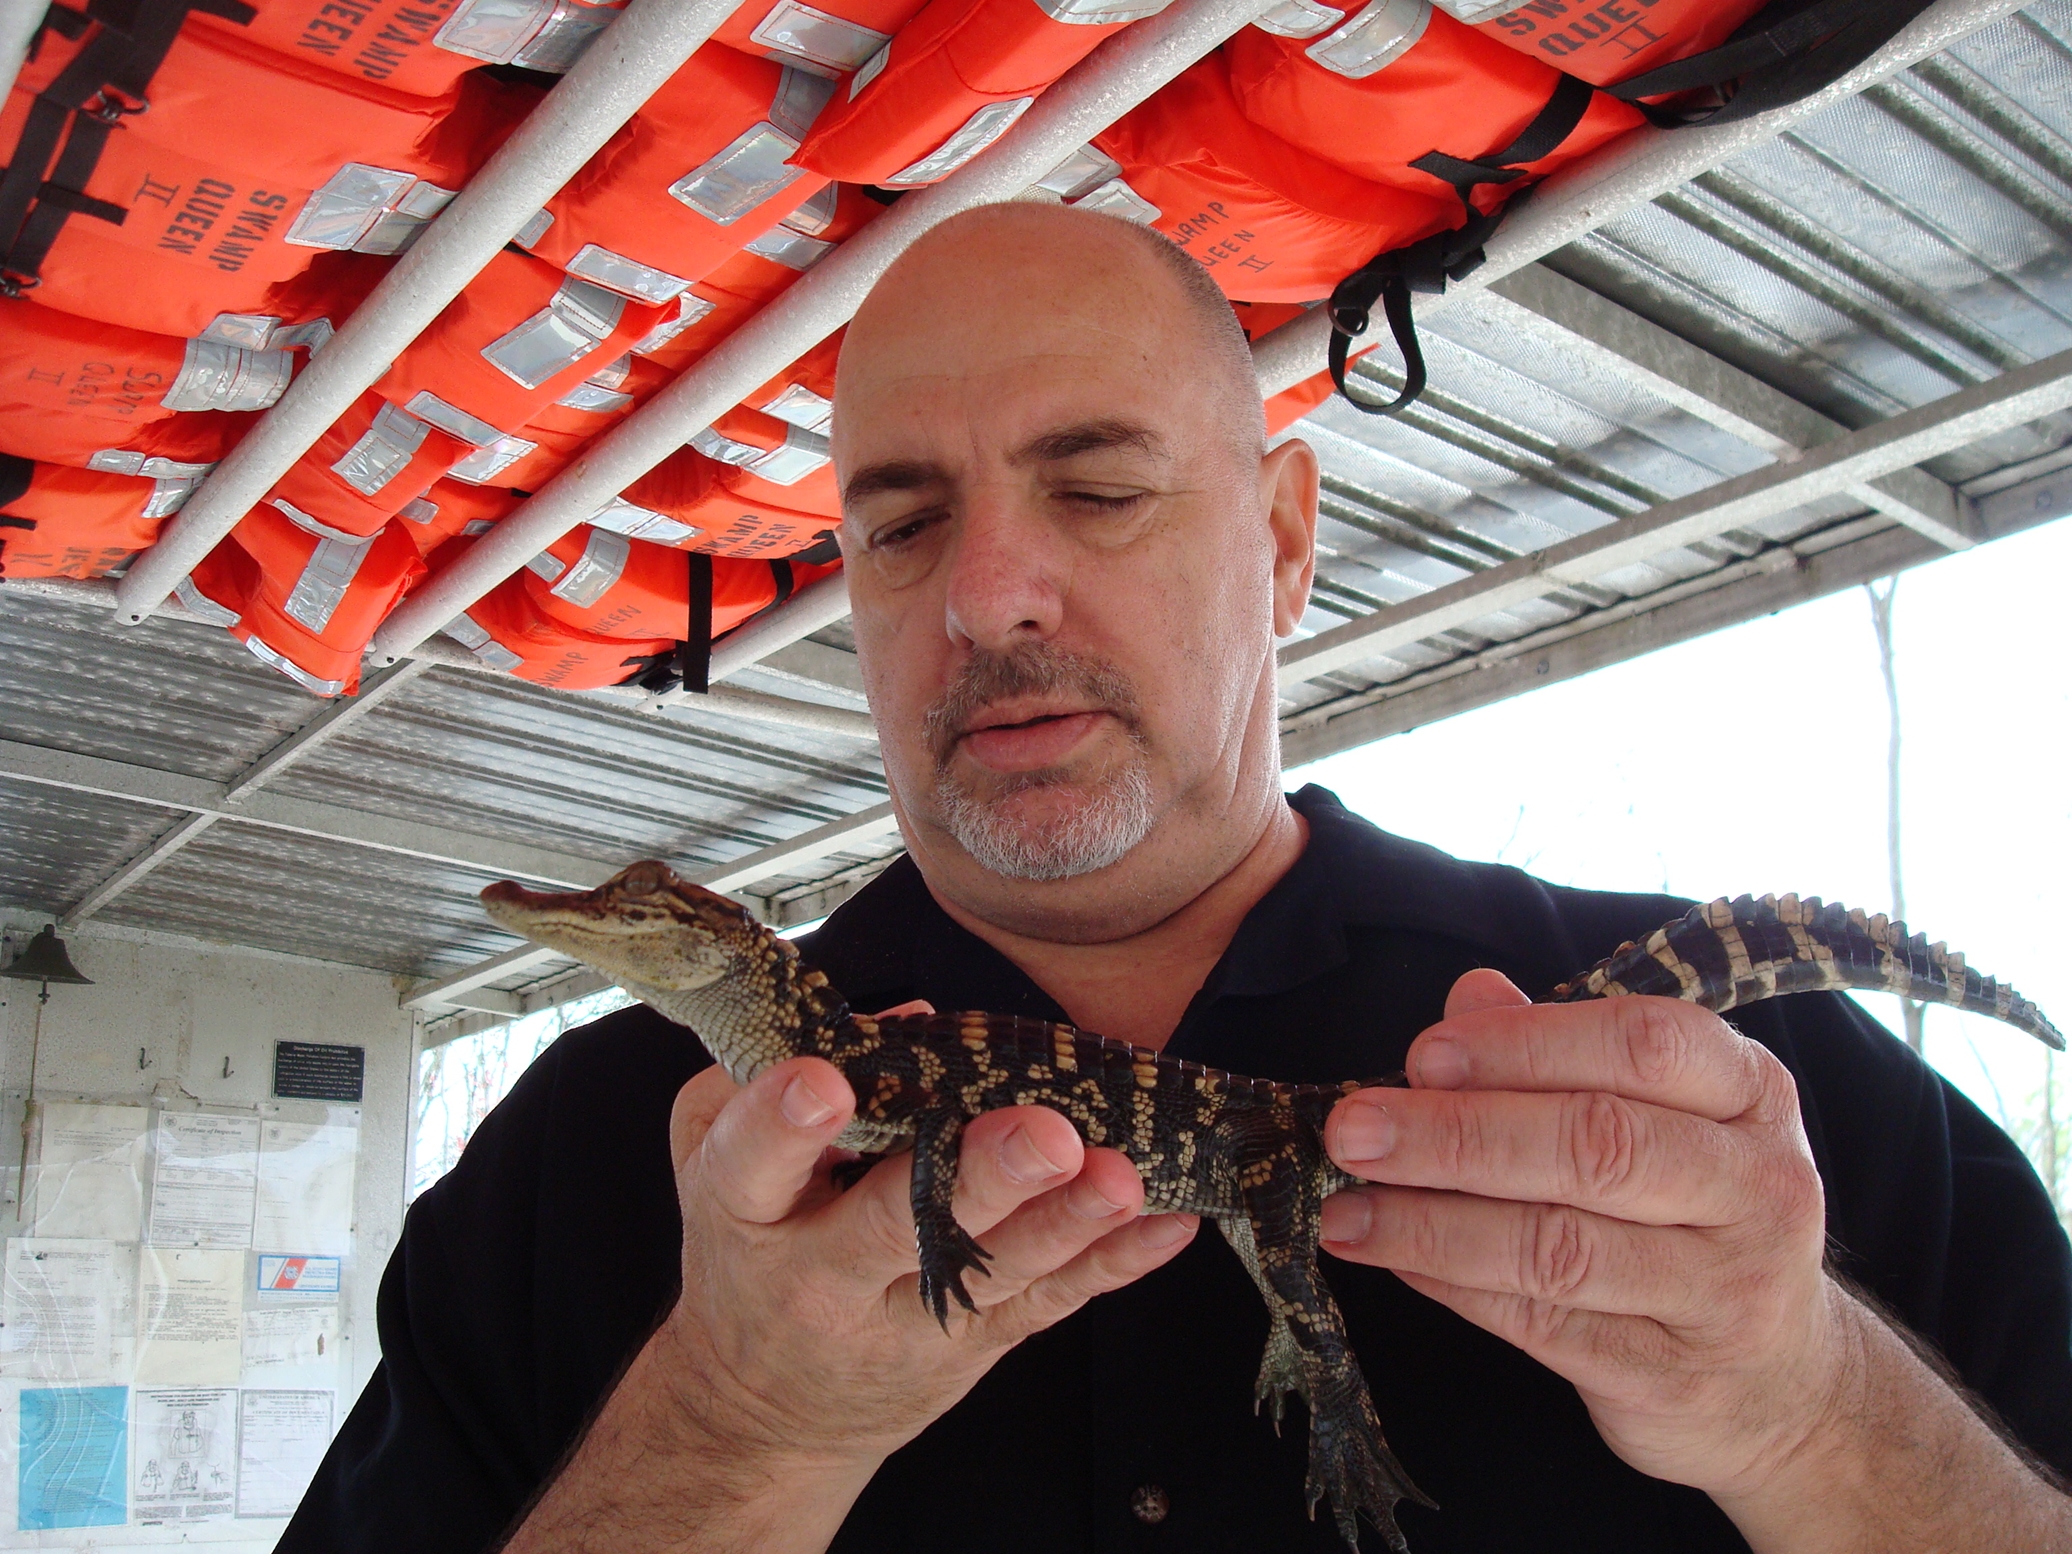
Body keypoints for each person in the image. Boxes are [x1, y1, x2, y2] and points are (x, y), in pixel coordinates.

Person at [282, 202, 2072, 1553]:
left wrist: (1818, 1411)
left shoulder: (1748, 1108)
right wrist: (724, 1431)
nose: (989, 596)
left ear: (1284, 538)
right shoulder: (587, 1153)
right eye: (903, 524)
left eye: (1101, 488)